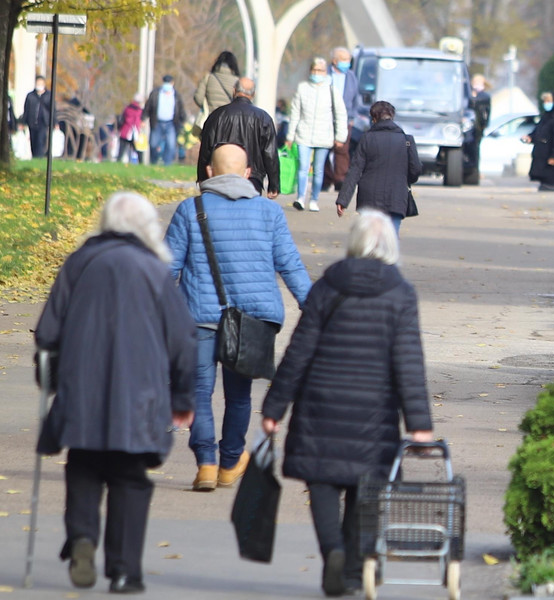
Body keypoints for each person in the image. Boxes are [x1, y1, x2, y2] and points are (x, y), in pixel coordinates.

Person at [261, 208, 434, 597]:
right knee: (366, 488)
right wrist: (419, 423)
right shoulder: (400, 293)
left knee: (321, 483)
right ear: (390, 245)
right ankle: (353, 572)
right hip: (375, 411)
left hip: (320, 404)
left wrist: (274, 409)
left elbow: (298, 351)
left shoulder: (327, 286)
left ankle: (333, 553)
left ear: (353, 242)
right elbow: (408, 361)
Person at [35, 192, 197, 594]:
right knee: (130, 478)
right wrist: (182, 398)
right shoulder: (155, 271)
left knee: (85, 467)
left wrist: (52, 381)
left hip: (82, 389)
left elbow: (47, 333)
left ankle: (84, 540)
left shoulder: (78, 264)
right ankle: (124, 571)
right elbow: (183, 341)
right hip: (139, 396)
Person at [165, 143, 311, 492]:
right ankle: (230, 461)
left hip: (198, 318)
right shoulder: (269, 213)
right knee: (239, 394)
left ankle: (206, 464)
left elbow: (166, 269)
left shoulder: (191, 209)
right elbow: (289, 264)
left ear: (210, 172)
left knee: (199, 392)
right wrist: (316, 307)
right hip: (252, 321)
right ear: (248, 173)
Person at [335, 101, 421, 231]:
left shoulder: (367, 139)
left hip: (369, 200)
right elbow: (415, 171)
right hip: (396, 198)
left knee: (369, 240)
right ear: (392, 117)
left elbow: (355, 170)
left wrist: (343, 200)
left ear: (374, 119)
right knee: (391, 241)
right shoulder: (407, 140)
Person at [196, 78, 280, 198]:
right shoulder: (263, 118)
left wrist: (202, 177)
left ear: (234, 91)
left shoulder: (217, 115)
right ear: (253, 95)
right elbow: (270, 153)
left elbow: (205, 148)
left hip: (220, 174)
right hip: (252, 177)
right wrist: (274, 184)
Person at [287, 57, 348, 212]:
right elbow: (295, 112)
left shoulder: (331, 89)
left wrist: (340, 137)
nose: (316, 73)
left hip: (324, 136)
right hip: (304, 134)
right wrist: (290, 135)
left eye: (320, 70)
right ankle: (300, 198)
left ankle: (314, 199)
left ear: (325, 72)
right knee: (303, 167)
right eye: (314, 70)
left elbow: (340, 114)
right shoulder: (302, 88)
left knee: (319, 170)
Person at [324, 47, 361, 192]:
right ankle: (325, 179)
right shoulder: (325, 73)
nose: (347, 63)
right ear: (334, 60)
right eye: (343, 60)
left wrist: (352, 117)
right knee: (324, 149)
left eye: (348, 60)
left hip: (345, 119)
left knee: (342, 150)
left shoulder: (351, 76)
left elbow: (355, 99)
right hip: (326, 117)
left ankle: (340, 179)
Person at [523, 91, 554, 191]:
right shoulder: (546, 116)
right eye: (545, 101)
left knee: (552, 179)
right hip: (543, 154)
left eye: (548, 101)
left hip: (552, 155)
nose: (546, 103)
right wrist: (530, 137)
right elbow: (539, 131)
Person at [143, 75, 186, 165]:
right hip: (157, 122)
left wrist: (183, 120)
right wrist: (143, 118)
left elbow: (181, 109)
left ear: (172, 83)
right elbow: (148, 107)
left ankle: (167, 163)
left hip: (171, 123)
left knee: (170, 145)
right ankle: (153, 161)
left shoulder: (176, 95)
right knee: (153, 143)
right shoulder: (155, 93)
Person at [194, 51, 240, 127]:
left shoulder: (209, 78)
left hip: (210, 120)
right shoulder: (237, 81)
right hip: (229, 123)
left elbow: (198, 97)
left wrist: (206, 106)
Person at [464, 74, 491, 183]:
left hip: (477, 128)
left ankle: (474, 170)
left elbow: (476, 104)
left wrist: (473, 97)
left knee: (474, 149)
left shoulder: (484, 96)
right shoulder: (470, 94)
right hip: (469, 126)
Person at [22, 75, 52, 158]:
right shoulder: (30, 96)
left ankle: (39, 156)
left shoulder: (49, 95)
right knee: (33, 140)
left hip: (43, 122)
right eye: (38, 83)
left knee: (40, 140)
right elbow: (26, 109)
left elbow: (52, 110)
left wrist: (54, 122)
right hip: (32, 122)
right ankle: (34, 156)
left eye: (41, 83)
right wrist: (23, 122)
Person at [116, 94, 144, 164]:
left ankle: (118, 162)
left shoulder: (127, 108)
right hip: (134, 133)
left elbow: (123, 119)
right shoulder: (139, 111)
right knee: (138, 150)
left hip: (124, 132)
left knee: (121, 151)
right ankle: (141, 163)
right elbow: (137, 122)